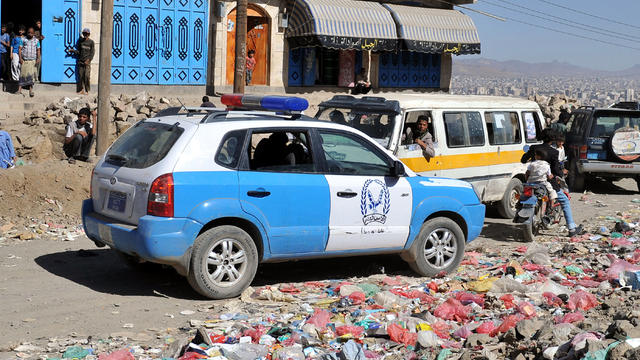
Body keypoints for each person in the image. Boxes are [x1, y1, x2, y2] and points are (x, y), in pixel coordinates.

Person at [521, 129, 584, 237]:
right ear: (553, 139)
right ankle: (572, 228)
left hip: (531, 181)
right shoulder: (554, 152)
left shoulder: (534, 148)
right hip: (547, 182)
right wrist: (561, 173)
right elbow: (556, 170)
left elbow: (523, 160)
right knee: (564, 200)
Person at [67, 28, 95, 94]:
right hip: (80, 61)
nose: (85, 35)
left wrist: (88, 60)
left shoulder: (91, 42)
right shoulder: (81, 42)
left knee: (87, 76)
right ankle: (81, 90)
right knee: (81, 76)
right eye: (84, 33)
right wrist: (73, 51)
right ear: (83, 34)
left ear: (89, 34)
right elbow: (79, 51)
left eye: (87, 34)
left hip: (87, 62)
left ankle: (87, 90)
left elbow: (92, 53)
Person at [18, 27, 40, 97]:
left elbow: (38, 50)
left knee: (31, 77)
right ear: (27, 33)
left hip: (32, 60)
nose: (30, 34)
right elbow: (20, 49)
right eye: (29, 32)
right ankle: (19, 90)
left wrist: (38, 58)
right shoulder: (23, 39)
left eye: (31, 33)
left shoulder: (36, 41)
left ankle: (31, 91)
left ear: (33, 33)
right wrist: (20, 58)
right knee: (22, 75)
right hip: (25, 60)